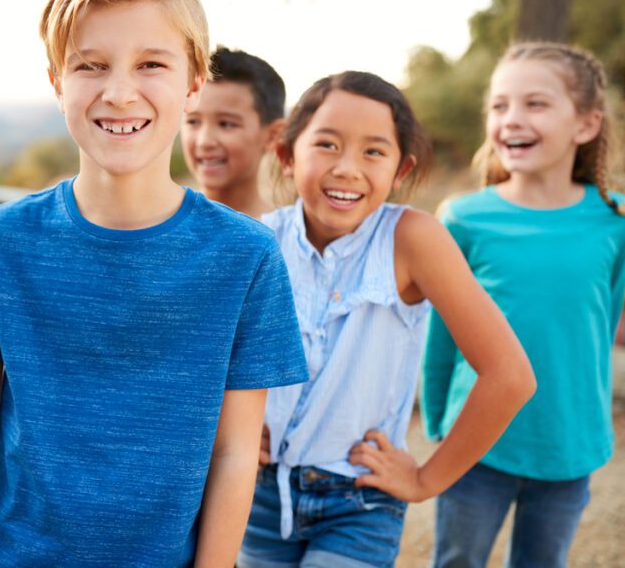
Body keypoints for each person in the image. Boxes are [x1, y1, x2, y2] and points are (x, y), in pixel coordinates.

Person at [0, 0, 309, 567]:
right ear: (57, 82)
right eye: (90, 65)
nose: (120, 91)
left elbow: (235, 453)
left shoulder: (247, 258)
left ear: (193, 82)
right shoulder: (1, 241)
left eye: (151, 63)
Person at [239, 71, 537, 568]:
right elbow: (203, 359)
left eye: (374, 152)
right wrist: (232, 431)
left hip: (359, 498)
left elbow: (510, 376)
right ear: (288, 156)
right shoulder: (259, 241)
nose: (348, 168)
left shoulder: (411, 240)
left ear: (401, 170)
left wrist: (425, 480)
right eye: (327, 145)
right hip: (261, 496)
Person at [422, 43, 625, 568]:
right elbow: (440, 335)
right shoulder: (464, 218)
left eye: (535, 104)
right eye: (499, 105)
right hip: (477, 441)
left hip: (569, 440)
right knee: (456, 561)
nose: (512, 119)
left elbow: (604, 325)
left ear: (586, 124)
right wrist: (441, 426)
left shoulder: (614, 219)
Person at [182, 46, 286, 217]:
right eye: (193, 121)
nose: (204, 141)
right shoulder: (153, 225)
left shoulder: (284, 238)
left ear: (273, 135)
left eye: (226, 124)